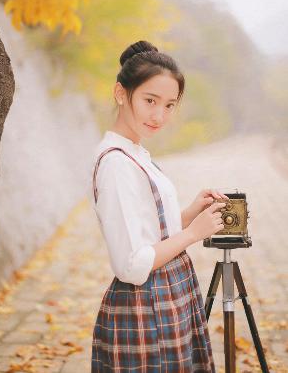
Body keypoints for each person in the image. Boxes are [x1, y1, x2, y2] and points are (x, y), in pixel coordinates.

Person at [88, 40, 227, 372]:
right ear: (121, 93)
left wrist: (191, 211)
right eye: (150, 100)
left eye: (169, 105)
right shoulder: (116, 164)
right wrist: (193, 234)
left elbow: (149, 232)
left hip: (168, 297)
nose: (159, 115)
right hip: (144, 308)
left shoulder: (136, 153)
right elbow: (132, 264)